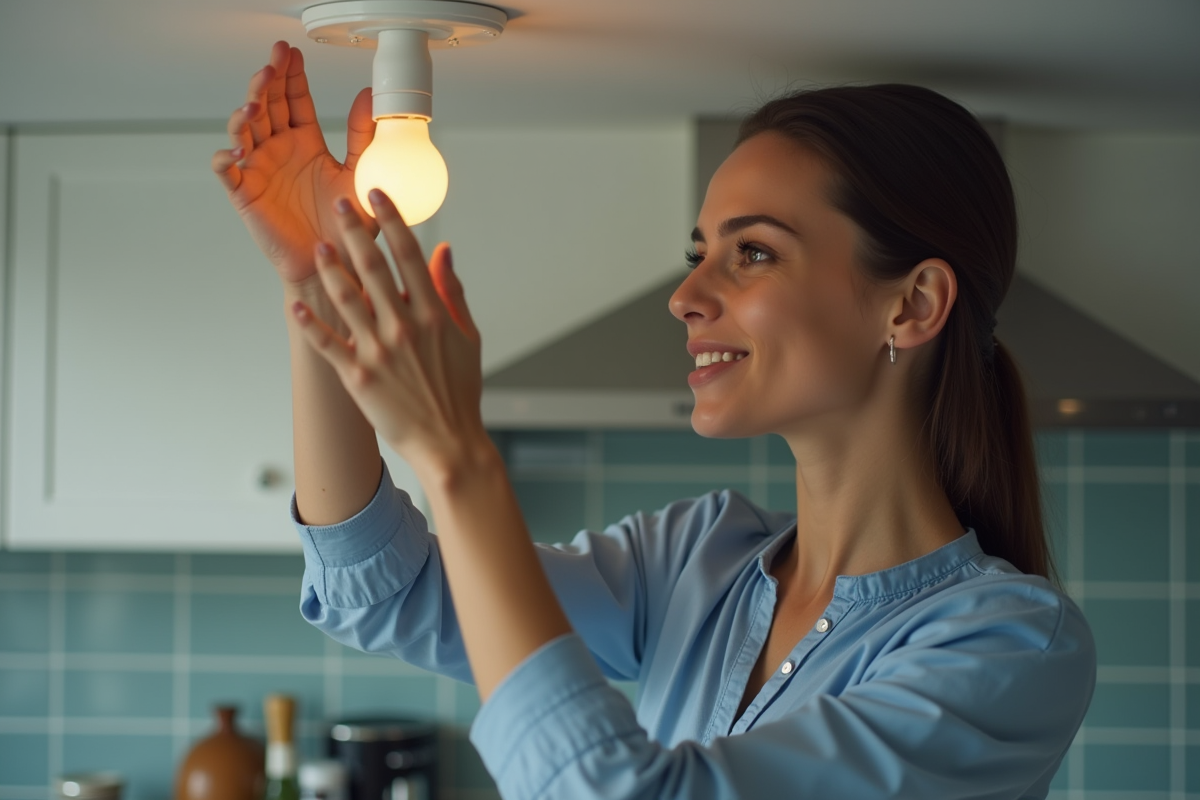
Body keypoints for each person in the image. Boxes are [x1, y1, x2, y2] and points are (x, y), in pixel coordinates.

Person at [214, 40, 1096, 800]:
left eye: (752, 253)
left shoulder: (1007, 650)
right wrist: (319, 277)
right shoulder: (695, 563)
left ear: (911, 304)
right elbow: (386, 594)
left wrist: (457, 455)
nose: (686, 296)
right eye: (698, 253)